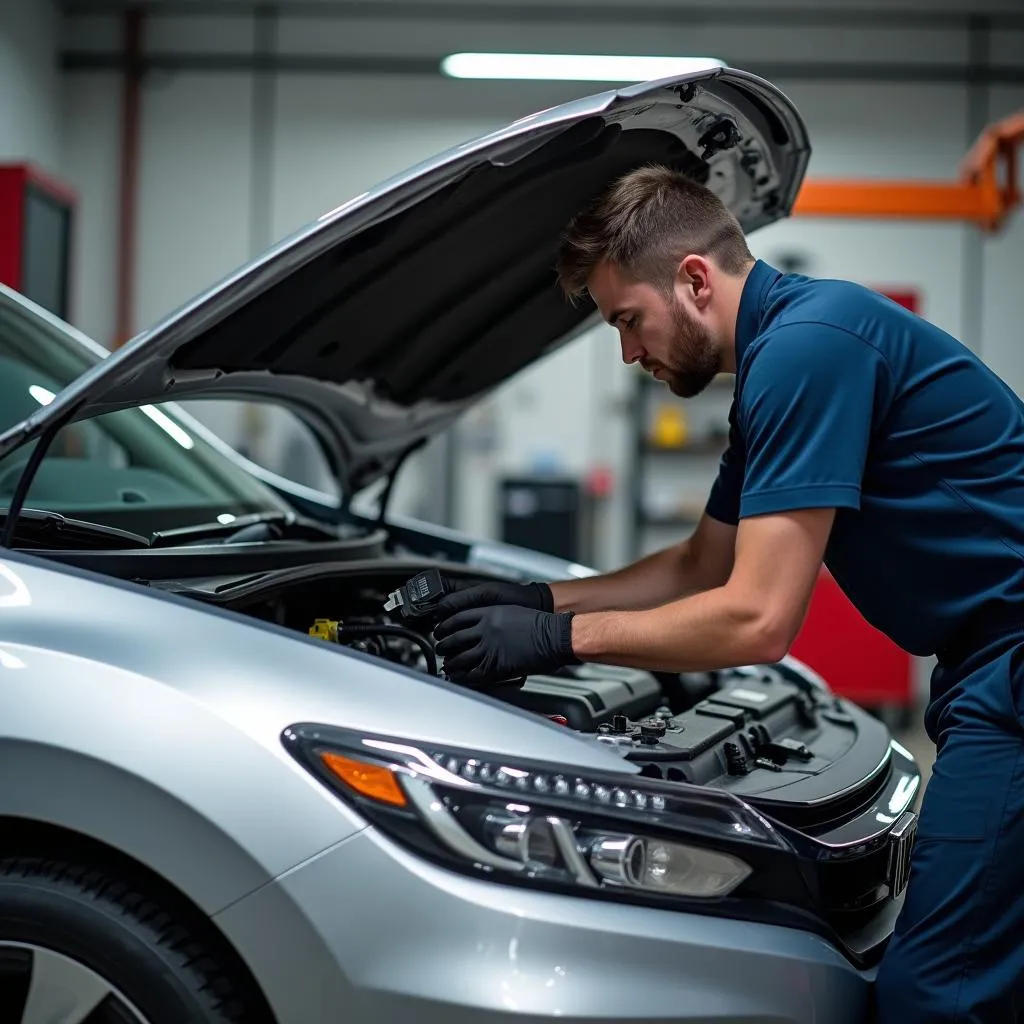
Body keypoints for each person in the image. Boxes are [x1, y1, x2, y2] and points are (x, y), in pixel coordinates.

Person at [429, 165, 1024, 1023]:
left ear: (695, 280)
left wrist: (563, 642)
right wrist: (537, 597)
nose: (629, 353)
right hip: (983, 663)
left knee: (934, 993)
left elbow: (755, 617)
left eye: (627, 321)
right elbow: (702, 564)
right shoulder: (783, 359)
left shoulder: (808, 349)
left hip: (1011, 667)